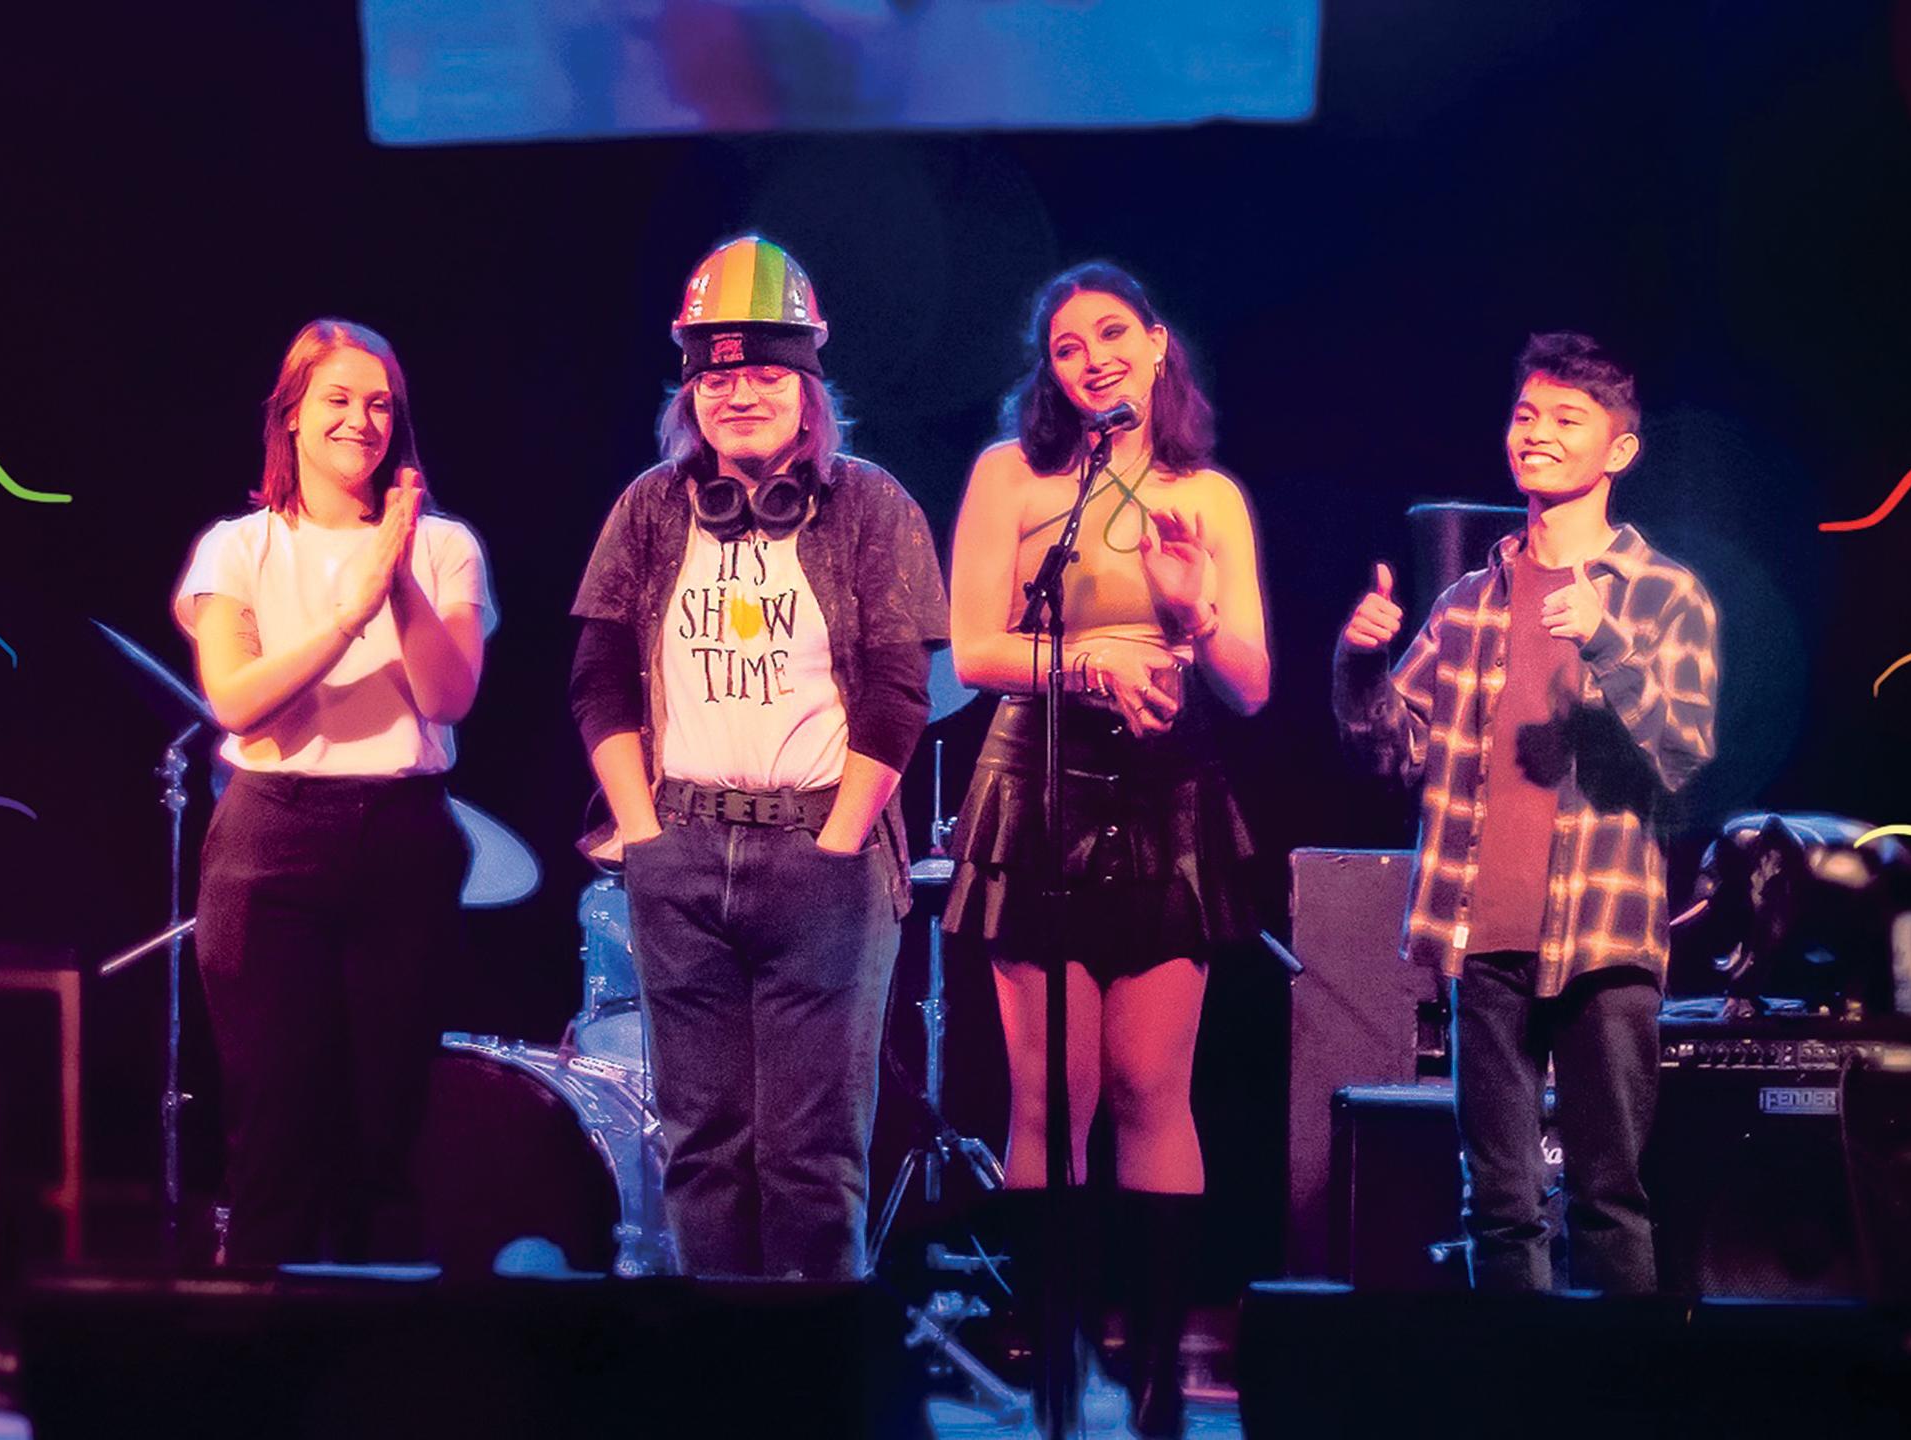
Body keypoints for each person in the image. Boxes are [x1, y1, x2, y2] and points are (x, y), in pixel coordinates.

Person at [569, 236, 948, 1280]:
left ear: (809, 386)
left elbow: (896, 696)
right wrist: (641, 834)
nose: (739, 393)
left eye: (766, 373)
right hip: (678, 854)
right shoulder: (650, 507)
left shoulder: (871, 505)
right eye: (718, 374)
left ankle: (810, 1401)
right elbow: (597, 678)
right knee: (702, 1153)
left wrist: (837, 844)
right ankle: (716, 1397)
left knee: (812, 1161)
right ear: (690, 389)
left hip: (821, 857)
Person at [943, 261, 1268, 1436]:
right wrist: (1086, 662)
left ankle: (1153, 1392)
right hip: (1035, 781)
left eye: (1112, 335)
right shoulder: (1015, 477)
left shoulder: (1208, 497)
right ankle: (1057, 1373)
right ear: (1052, 370)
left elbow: (1250, 683)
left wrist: (1186, 621)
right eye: (1069, 346)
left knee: (1147, 1086)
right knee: (1049, 1094)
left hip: (1167, 788)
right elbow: (970, 646)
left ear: (1157, 343)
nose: (1093, 358)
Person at [1333, 331, 1718, 1294]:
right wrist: (1357, 666)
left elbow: (1683, 757)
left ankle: (1617, 1411)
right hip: (1481, 936)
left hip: (1604, 939)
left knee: (1608, 1199)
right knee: (1498, 1208)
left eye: (1566, 419)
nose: (1537, 433)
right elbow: (1394, 751)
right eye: (1525, 414)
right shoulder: (1470, 600)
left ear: (1619, 451)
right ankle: (1515, 1406)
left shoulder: (1663, 597)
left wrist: (1609, 644)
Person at [174, 318, 495, 1265]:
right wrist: (349, 614)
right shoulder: (240, 548)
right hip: (269, 843)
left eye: (380, 405)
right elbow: (237, 703)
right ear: (292, 415)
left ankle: (376, 1388)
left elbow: (448, 695)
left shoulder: (442, 548)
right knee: (274, 1139)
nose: (362, 420)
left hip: (402, 840)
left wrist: (393, 579)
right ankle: (258, 1380)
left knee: (383, 1139)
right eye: (339, 400)